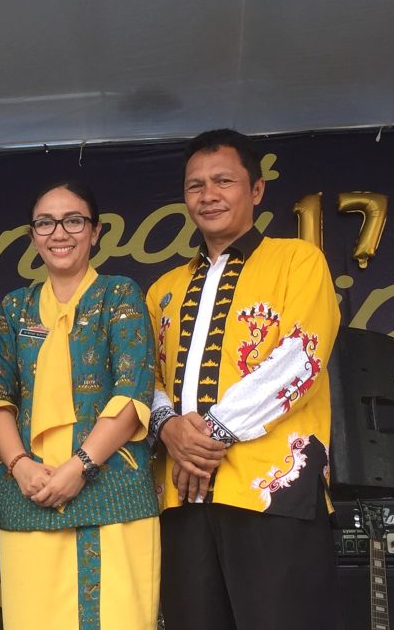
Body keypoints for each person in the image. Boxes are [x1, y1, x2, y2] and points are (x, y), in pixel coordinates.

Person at [146, 129, 341, 630]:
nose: (208, 195)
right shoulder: (163, 289)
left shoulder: (298, 261)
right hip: (182, 498)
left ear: (256, 190)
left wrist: (208, 435)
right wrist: (168, 427)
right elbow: (144, 376)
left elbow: (300, 358)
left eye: (223, 181)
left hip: (272, 492)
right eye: (195, 185)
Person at [0, 180, 159, 630]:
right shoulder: (15, 308)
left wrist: (80, 466)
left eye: (73, 221)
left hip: (112, 497)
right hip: (30, 497)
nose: (59, 233)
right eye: (45, 223)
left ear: (95, 231)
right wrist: (20, 465)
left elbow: (132, 394)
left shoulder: (119, 295)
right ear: (32, 236)